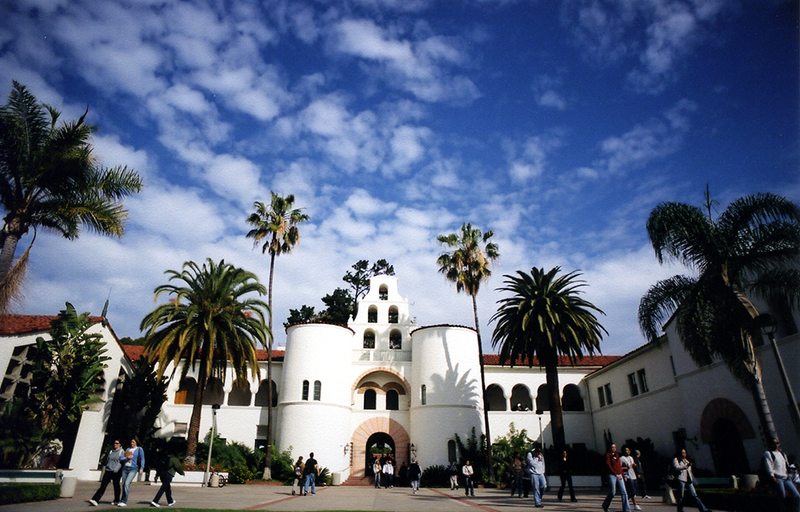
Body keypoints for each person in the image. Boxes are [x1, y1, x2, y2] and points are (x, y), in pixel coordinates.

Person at [763, 438, 800, 512]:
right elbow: (768, 465)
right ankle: (781, 509)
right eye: (774, 443)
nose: (776, 445)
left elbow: (786, 465)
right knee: (782, 495)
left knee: (796, 495)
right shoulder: (769, 453)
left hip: (785, 477)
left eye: (777, 443)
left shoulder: (782, 454)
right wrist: (772, 476)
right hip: (778, 477)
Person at [89, 439, 126, 506]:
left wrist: (116, 469)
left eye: (117, 443)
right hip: (108, 470)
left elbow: (122, 461)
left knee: (116, 486)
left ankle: (116, 500)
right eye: (114, 443)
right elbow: (107, 460)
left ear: (120, 444)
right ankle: (95, 499)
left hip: (116, 472)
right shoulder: (111, 451)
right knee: (103, 485)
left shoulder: (122, 452)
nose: (115, 444)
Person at [602, 444, 630, 512]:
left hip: (619, 474)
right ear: (609, 448)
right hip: (612, 475)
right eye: (612, 447)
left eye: (614, 447)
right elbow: (608, 466)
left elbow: (619, 467)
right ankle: (605, 505)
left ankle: (627, 509)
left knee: (624, 492)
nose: (614, 448)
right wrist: (615, 474)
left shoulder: (617, 455)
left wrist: (623, 475)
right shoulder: (608, 455)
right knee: (612, 492)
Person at [119, 438, 145, 507]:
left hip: (133, 468)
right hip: (125, 468)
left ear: (136, 442)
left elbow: (142, 459)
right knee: (124, 484)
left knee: (127, 483)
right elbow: (122, 458)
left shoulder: (139, 449)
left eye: (133, 442)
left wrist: (141, 468)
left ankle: (124, 501)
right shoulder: (128, 449)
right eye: (131, 442)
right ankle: (122, 500)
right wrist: (127, 458)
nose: (132, 443)